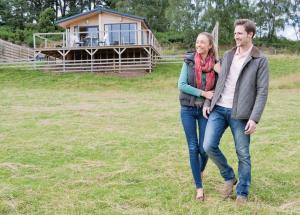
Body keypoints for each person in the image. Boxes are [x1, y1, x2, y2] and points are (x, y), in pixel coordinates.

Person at [202, 19, 269, 205]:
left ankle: (242, 191)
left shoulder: (260, 59)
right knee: (208, 146)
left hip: (240, 113)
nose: (236, 36)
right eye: (235, 33)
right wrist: (208, 101)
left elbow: (262, 91)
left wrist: (254, 118)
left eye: (239, 33)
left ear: (250, 34)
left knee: (243, 154)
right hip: (218, 108)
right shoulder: (228, 55)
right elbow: (217, 81)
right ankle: (229, 176)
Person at [178, 32, 220, 201]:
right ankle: (199, 187)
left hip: (204, 110)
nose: (199, 45)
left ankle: (198, 170)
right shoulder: (188, 61)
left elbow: (221, 85)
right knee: (193, 147)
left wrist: (210, 97)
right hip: (187, 109)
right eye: (197, 42)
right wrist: (203, 92)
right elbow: (181, 85)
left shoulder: (216, 64)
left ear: (210, 45)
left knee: (205, 149)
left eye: (202, 42)